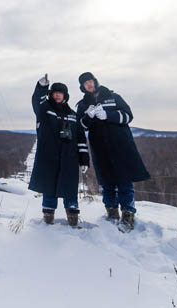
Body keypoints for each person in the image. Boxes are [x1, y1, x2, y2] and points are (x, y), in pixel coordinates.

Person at [76, 72, 149, 231]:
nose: (89, 84)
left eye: (90, 81)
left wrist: (107, 115)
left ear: (94, 81)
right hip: (100, 149)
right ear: (82, 87)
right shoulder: (82, 105)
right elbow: (81, 126)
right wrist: (88, 117)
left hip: (121, 146)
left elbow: (128, 116)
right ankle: (111, 213)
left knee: (124, 181)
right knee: (107, 182)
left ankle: (128, 214)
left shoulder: (113, 97)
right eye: (85, 83)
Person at [29, 74, 90, 227]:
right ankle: (47, 222)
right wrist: (41, 87)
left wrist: (84, 159)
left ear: (65, 96)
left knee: (70, 190)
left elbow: (81, 139)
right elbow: (37, 100)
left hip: (69, 159)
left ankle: (73, 222)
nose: (57, 95)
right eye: (54, 92)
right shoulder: (44, 110)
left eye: (60, 93)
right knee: (49, 189)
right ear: (51, 95)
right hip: (48, 158)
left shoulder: (73, 115)